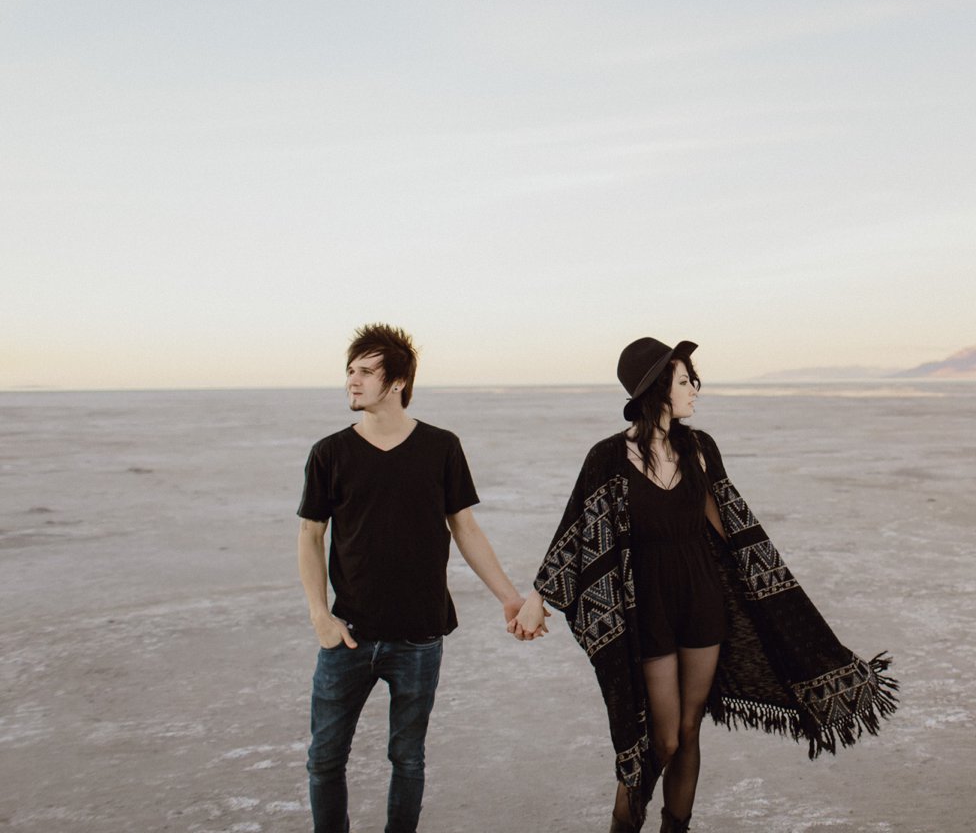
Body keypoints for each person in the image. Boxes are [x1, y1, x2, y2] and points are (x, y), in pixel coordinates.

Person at [514, 337, 898, 833]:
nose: (695, 388)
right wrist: (538, 598)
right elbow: (576, 532)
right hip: (645, 606)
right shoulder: (607, 458)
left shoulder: (698, 449)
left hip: (700, 601)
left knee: (691, 730)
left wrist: (776, 600)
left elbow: (733, 526)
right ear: (656, 389)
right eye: (683, 380)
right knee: (663, 739)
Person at [297, 323, 533, 833]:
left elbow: (465, 528)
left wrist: (510, 598)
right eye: (349, 371)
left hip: (420, 636)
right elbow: (310, 536)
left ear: (398, 381)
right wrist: (319, 614)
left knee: (407, 760)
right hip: (347, 635)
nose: (351, 382)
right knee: (324, 760)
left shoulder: (440, 447)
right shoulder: (330, 453)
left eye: (365, 372)